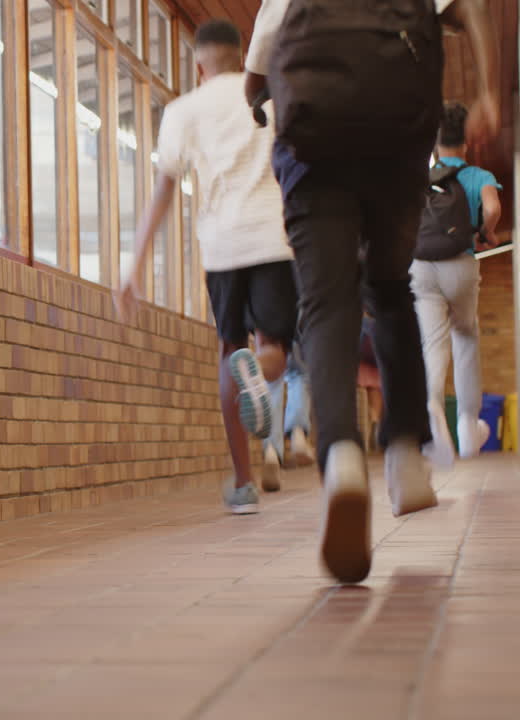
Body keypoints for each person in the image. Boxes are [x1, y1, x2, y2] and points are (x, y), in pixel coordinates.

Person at [245, 0, 500, 583]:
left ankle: (341, 458)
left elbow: (259, 68)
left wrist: (259, 102)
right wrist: (488, 93)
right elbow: (473, 9)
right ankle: (407, 455)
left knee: (327, 304)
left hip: (312, 148)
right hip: (395, 145)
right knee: (390, 291)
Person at [117, 19, 296, 515]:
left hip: (221, 247)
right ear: (242, 57)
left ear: (199, 65)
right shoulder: (268, 98)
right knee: (274, 349)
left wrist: (133, 264)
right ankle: (257, 375)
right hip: (272, 238)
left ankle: (242, 486)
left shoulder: (181, 111)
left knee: (227, 350)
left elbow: (163, 193)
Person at [414, 102, 503, 466]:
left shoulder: (420, 176)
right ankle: (468, 427)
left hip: (421, 266)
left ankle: (433, 410)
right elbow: (493, 207)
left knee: (433, 344)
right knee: (466, 336)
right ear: (464, 143)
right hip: (461, 265)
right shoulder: (477, 175)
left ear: (435, 143)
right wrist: (487, 231)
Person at [263, 346, 314, 491]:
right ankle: (297, 431)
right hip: (295, 326)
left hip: (268, 325)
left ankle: (271, 452)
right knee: (299, 374)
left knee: (272, 381)